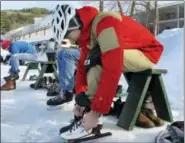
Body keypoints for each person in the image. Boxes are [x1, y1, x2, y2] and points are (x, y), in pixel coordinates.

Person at [51, 4, 164, 139]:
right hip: (127, 51)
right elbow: (82, 67)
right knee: (93, 59)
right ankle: (88, 114)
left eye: (67, 35)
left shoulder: (106, 24)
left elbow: (112, 68)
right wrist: (80, 100)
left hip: (148, 53)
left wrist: (96, 111)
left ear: (74, 24)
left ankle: (92, 121)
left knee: (99, 58)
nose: (69, 40)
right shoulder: (87, 35)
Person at [46, 38, 80, 107]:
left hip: (94, 51)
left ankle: (67, 92)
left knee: (66, 54)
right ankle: (63, 87)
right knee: (60, 53)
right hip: (85, 48)